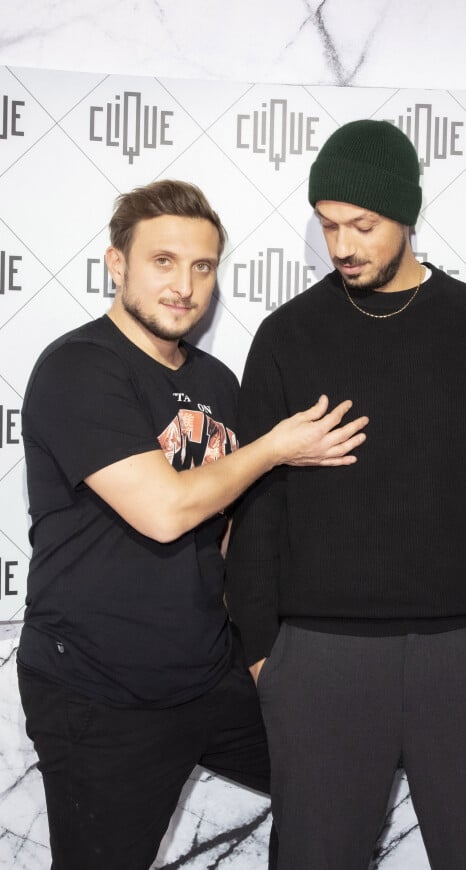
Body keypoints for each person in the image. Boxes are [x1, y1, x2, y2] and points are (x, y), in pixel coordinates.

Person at [225, 120, 466, 870]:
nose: (343, 244)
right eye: (327, 225)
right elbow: (255, 510)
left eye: (363, 225)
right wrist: (264, 655)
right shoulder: (288, 337)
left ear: (405, 215)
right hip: (320, 661)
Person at [17, 179, 368, 870]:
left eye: (202, 267)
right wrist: (274, 447)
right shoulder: (80, 369)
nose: (185, 285)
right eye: (163, 261)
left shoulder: (215, 381)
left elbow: (228, 528)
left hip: (208, 676)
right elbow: (164, 511)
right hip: (100, 693)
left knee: (337, 778)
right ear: (117, 265)